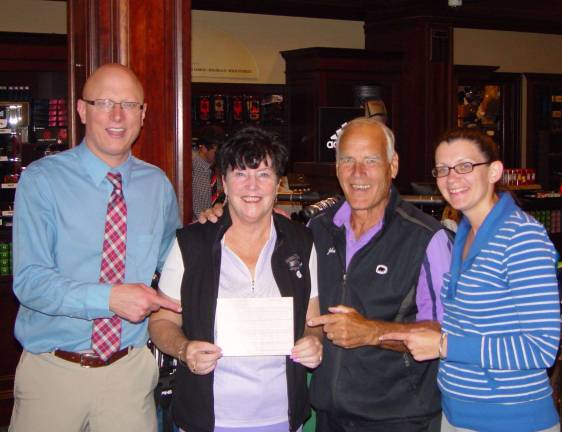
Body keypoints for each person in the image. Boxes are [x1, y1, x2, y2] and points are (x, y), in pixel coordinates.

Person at [199, 117, 453, 431]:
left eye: (370, 161)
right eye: (347, 160)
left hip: (399, 417)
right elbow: (258, 226)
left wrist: (372, 332)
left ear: (393, 165)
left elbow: (445, 332)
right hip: (328, 415)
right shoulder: (316, 230)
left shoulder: (426, 238)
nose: (357, 173)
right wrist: (222, 217)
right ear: (336, 167)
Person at [10, 64, 182, 432]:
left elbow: (175, 262)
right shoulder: (42, 181)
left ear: (143, 113)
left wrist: (226, 222)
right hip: (53, 373)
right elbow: (30, 282)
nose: (117, 116)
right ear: (82, 110)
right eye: (104, 102)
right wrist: (110, 298)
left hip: (130, 374)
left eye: (129, 104)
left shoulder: (157, 185)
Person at [381, 128, 561, 432]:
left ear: (494, 171)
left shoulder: (522, 237)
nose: (452, 178)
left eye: (465, 166)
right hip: (458, 414)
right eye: (442, 169)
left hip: (510, 419)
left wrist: (444, 346)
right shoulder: (464, 232)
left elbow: (540, 347)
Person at [148, 126, 323, 432]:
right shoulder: (192, 244)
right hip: (208, 418)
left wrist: (314, 341)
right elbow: (161, 322)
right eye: (241, 173)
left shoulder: (301, 243)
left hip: (281, 417)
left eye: (264, 174)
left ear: (278, 183)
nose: (252, 186)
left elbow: (313, 319)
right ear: (225, 184)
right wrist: (184, 349)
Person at [191, 125, 225, 221]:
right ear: (204, 148)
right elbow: (195, 209)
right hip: (200, 227)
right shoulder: (191, 170)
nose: (220, 155)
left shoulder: (218, 168)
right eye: (216, 152)